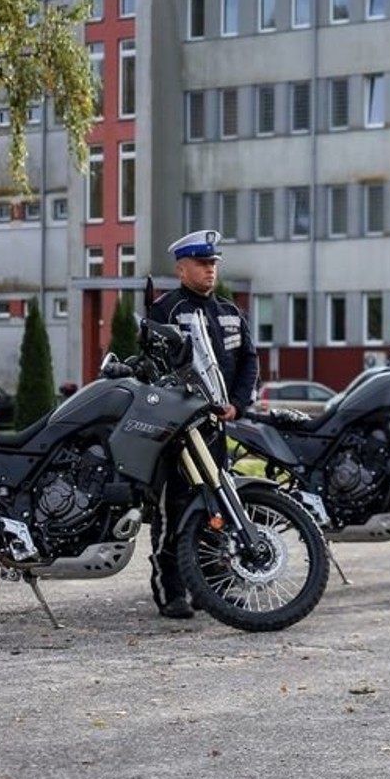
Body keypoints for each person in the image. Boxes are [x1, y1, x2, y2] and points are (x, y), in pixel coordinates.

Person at [143, 228, 259, 619]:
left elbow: (249, 362)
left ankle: (214, 589)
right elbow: (153, 367)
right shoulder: (165, 310)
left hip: (214, 430)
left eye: (213, 263)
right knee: (173, 510)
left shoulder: (230, 312)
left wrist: (237, 404)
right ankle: (171, 591)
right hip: (177, 434)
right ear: (181, 269)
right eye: (202, 263)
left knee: (219, 508)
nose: (210, 270)